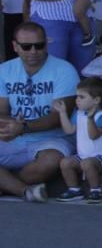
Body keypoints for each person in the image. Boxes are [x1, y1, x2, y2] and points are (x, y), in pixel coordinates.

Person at [0, 22, 78, 202]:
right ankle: (25, 191)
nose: (33, 51)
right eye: (26, 47)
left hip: (52, 139)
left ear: (46, 44)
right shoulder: (4, 70)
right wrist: (10, 126)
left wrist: (24, 127)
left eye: (39, 45)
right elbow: (1, 111)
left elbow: (58, 116)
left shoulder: (64, 70)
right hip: (13, 136)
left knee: (50, 162)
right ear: (15, 46)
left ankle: (7, 184)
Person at [53, 77, 102, 203]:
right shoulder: (79, 113)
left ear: (96, 100)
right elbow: (69, 130)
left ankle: (96, 191)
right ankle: (74, 190)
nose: (77, 100)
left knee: (87, 163)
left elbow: (94, 135)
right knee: (65, 162)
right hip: (83, 156)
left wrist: (90, 119)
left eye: (82, 97)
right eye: (77, 96)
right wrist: (62, 113)